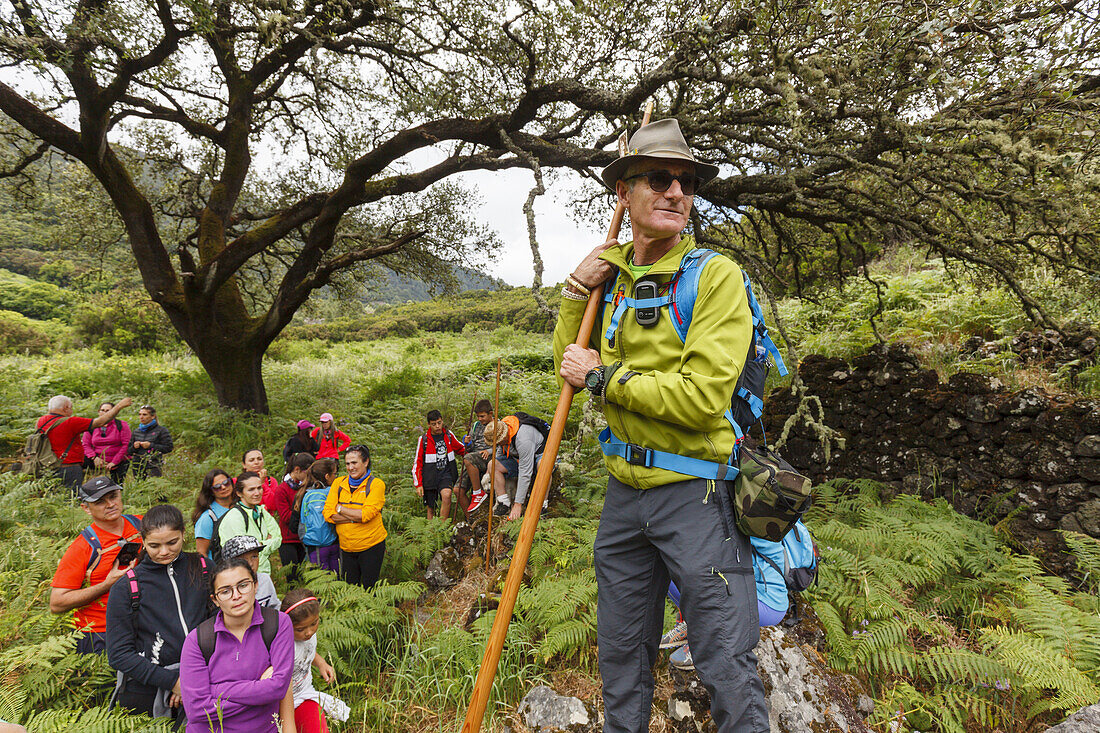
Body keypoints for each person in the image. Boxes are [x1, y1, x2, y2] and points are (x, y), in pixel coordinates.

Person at [553, 118, 768, 731]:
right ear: (623, 191)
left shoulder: (714, 275)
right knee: (621, 656)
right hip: (624, 500)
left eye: (686, 181)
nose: (676, 191)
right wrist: (576, 292)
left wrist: (604, 378)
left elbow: (703, 398)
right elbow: (570, 364)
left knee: (725, 659)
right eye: (658, 178)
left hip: (697, 495)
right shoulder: (611, 275)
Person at [105, 504, 212, 719]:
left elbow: (221, 623)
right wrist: (173, 682)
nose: (164, 552)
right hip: (148, 692)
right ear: (142, 541)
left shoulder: (204, 568)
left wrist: (191, 680)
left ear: (183, 534)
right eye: (154, 545)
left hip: (207, 678)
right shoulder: (126, 588)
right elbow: (119, 654)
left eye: (172, 542)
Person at [179, 556, 295, 733]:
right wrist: (260, 690)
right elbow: (196, 710)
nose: (236, 596)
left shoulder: (278, 624)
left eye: (243, 585)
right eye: (225, 591)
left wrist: (217, 690)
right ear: (215, 599)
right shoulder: (198, 640)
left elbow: (278, 689)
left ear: (255, 585)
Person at [50, 476, 143, 654]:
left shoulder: (142, 524)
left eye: (113, 496)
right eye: (100, 502)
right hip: (100, 633)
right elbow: (57, 603)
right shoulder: (82, 547)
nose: (110, 504)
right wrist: (106, 585)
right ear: (86, 508)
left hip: (144, 622)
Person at [282, 589, 350, 733]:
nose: (309, 632)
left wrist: (321, 663)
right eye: (300, 629)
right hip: (282, 704)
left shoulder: (307, 636)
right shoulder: (285, 647)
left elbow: (308, 652)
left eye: (314, 623)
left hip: (305, 694)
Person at [35, 395, 132, 491]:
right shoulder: (71, 422)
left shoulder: (41, 421)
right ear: (66, 408)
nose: (71, 411)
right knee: (72, 496)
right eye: (71, 408)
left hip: (47, 466)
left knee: (53, 495)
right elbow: (100, 422)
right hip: (69, 466)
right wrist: (119, 406)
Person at [323, 445, 386, 590]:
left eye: (354, 463)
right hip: (346, 548)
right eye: (347, 464)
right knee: (351, 589)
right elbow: (327, 513)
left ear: (365, 462)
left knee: (370, 589)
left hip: (371, 546)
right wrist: (354, 517)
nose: (351, 467)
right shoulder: (339, 483)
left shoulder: (376, 485)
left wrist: (340, 508)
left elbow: (366, 514)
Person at [216, 471, 282, 574]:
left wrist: (259, 545)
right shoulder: (234, 517)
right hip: (243, 576)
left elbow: (278, 538)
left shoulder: (261, 511)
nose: (257, 493)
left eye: (259, 488)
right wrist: (265, 543)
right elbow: (242, 553)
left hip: (264, 574)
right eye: (251, 489)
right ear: (239, 493)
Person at [485, 416, 546, 521]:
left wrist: (518, 504)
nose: (498, 444)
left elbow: (525, 472)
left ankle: (543, 504)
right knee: (492, 464)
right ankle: (503, 502)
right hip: (519, 458)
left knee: (543, 466)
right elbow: (499, 454)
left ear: (504, 436)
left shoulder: (523, 439)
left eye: (499, 442)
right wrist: (488, 473)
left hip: (539, 454)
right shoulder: (502, 428)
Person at [412, 409, 465, 520]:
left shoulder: (448, 435)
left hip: (446, 474)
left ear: (442, 421)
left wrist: (472, 452)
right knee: (431, 508)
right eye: (434, 424)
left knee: (447, 496)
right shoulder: (423, 440)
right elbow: (418, 463)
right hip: (430, 477)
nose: (437, 426)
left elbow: (461, 449)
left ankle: (441, 527)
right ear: (429, 424)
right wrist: (418, 484)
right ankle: (432, 533)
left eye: (439, 423)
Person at [267, 453, 312, 570]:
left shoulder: (308, 487)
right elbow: (285, 516)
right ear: (297, 470)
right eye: (307, 473)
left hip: (305, 537)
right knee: (292, 574)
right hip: (288, 539)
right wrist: (306, 513)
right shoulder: (282, 489)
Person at [296, 459, 340, 573]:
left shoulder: (305, 493)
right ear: (327, 476)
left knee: (321, 579)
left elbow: (297, 522)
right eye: (334, 474)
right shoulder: (333, 492)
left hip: (313, 545)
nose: (335, 477)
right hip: (334, 542)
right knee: (338, 578)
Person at [221, 535, 281, 610]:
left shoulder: (264, 580)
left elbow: (275, 607)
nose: (250, 563)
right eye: (243, 559)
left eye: (254, 557)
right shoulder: (223, 588)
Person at [81, 402, 132, 484]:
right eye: (102, 410)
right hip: (97, 458)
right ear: (99, 412)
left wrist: (114, 462)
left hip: (118, 459)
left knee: (117, 484)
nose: (105, 413)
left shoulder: (121, 425)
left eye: (108, 411)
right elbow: (86, 444)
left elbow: (126, 445)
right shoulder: (92, 425)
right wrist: (94, 458)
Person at [458, 399, 494, 514]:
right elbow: (470, 448)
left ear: (490, 414)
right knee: (457, 490)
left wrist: (489, 451)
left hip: (488, 458)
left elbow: (503, 446)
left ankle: (478, 492)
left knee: (468, 459)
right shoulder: (476, 426)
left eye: (482, 416)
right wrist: (467, 443)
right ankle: (470, 519)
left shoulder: (498, 425)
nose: (480, 419)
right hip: (474, 457)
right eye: (478, 416)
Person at [193, 469, 236, 561]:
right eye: (217, 487)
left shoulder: (240, 507)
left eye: (226, 483)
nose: (223, 487)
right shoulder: (208, 517)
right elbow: (201, 553)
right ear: (211, 491)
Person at [129, 404, 173, 479]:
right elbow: (129, 450)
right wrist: (134, 446)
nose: (141, 417)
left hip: (153, 464)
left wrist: (150, 446)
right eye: (140, 414)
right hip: (138, 465)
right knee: (139, 487)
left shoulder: (161, 430)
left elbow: (168, 447)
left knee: (153, 486)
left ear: (152, 416)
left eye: (144, 414)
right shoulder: (136, 431)